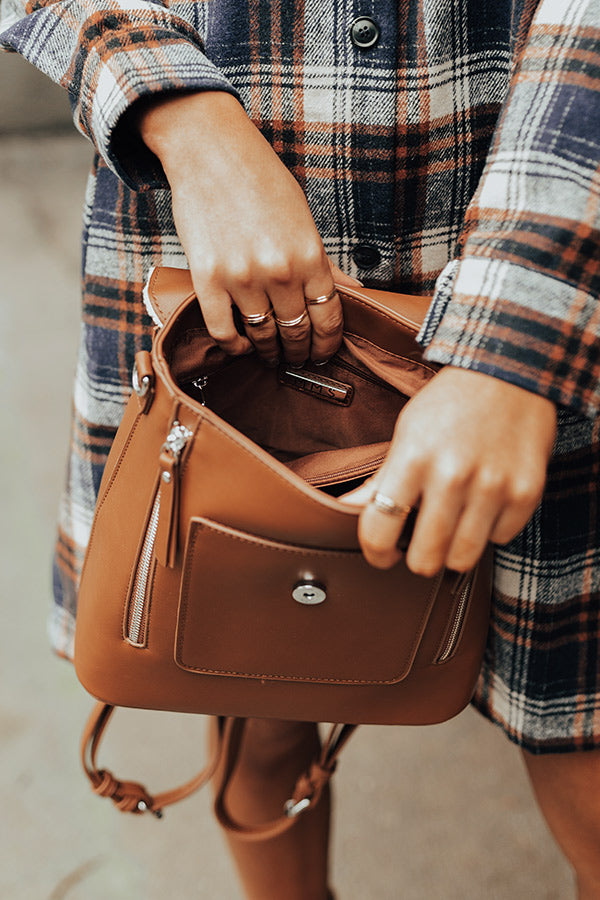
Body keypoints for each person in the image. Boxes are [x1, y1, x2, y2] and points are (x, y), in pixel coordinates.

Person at [1, 0, 599, 896]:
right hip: (217, 245)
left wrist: (515, 331)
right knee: (257, 701)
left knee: (581, 745)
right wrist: (183, 118)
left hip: (544, 229)